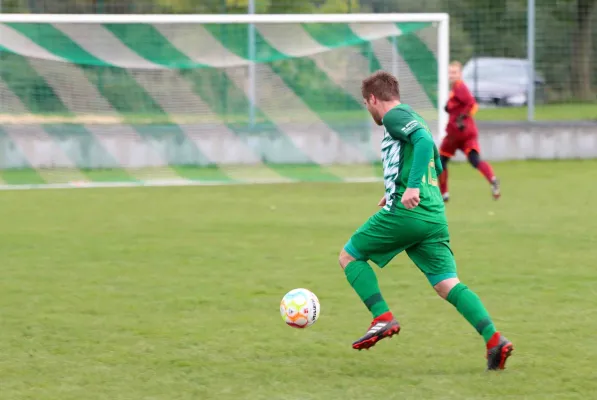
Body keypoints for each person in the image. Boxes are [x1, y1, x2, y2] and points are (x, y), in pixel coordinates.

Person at [338, 71, 513, 370]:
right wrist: (396, 187)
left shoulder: (393, 116)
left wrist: (413, 186)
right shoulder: (411, 115)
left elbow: (421, 142)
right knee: (447, 284)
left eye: (366, 104)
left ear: (372, 99)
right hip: (433, 215)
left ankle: (381, 316)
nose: (368, 110)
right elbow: (433, 152)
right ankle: (494, 339)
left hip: (410, 213)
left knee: (349, 256)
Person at [439, 61, 500, 202]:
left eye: (454, 72)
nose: (451, 75)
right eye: (450, 72)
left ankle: (444, 193)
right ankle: (493, 179)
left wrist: (462, 118)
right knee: (474, 159)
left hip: (457, 132)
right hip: (466, 132)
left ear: (460, 74)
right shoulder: (455, 89)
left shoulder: (460, 87)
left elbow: (472, 105)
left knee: (441, 160)